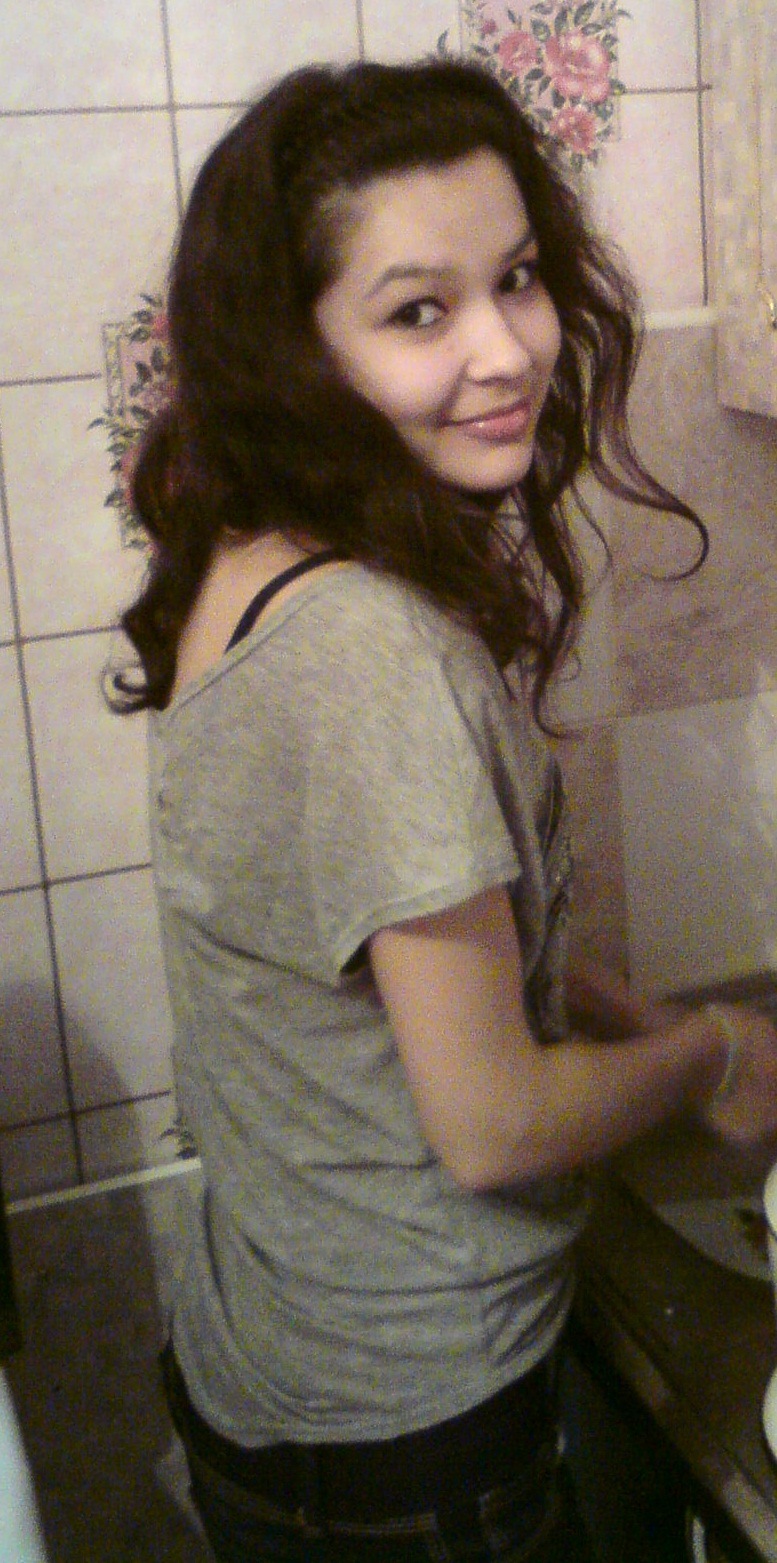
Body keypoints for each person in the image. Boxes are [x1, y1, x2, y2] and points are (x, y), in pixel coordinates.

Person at [107, 57, 777, 1562]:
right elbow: (491, 1127)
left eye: (517, 279)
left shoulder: (254, 553)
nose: (506, 350)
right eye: (418, 312)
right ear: (295, 352)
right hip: (411, 1453)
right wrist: (710, 1054)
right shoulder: (369, 654)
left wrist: (630, 1015)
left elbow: (416, 955)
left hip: (283, 1382)